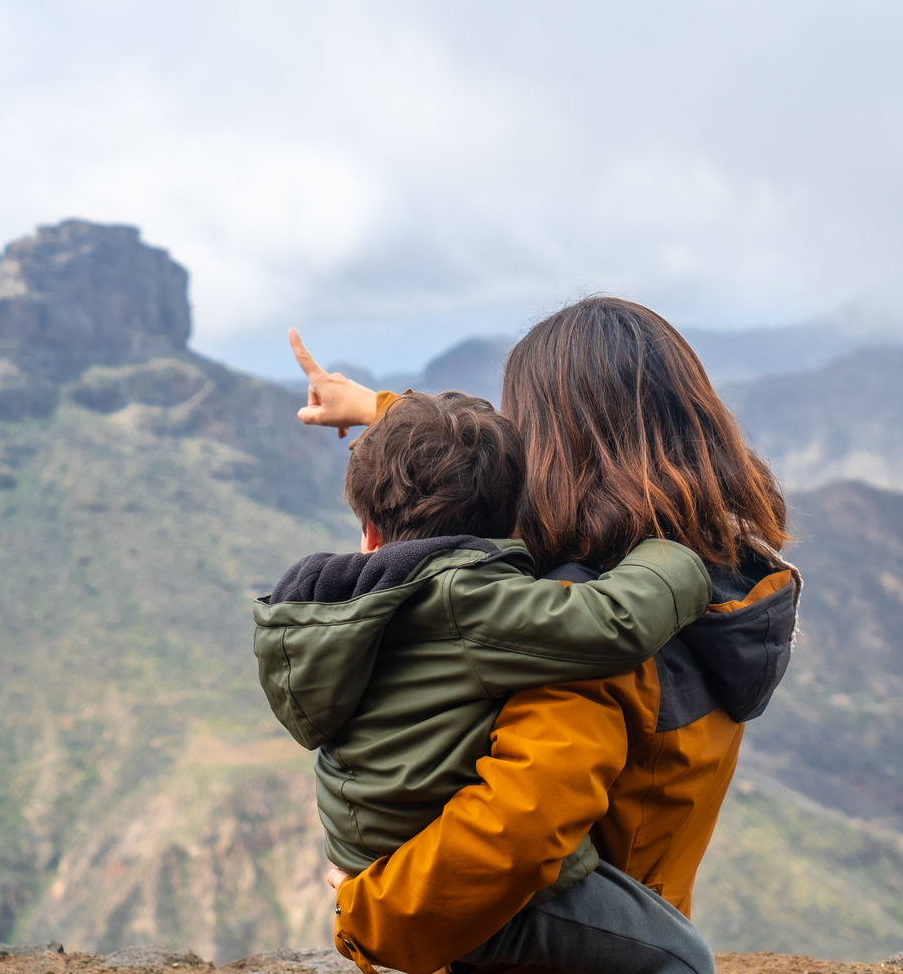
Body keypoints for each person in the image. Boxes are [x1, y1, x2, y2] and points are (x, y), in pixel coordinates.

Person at [289, 297, 799, 974]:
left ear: (550, 451)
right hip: (638, 919)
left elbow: (517, 830)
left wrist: (367, 911)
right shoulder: (717, 566)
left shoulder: (577, 632)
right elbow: (509, 459)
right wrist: (377, 407)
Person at [253, 389, 718, 974]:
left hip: (371, 854)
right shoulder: (467, 602)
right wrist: (672, 552)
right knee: (681, 957)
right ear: (507, 529)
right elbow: (614, 623)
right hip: (447, 886)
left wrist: (379, 408)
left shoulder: (333, 610)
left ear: (369, 534)